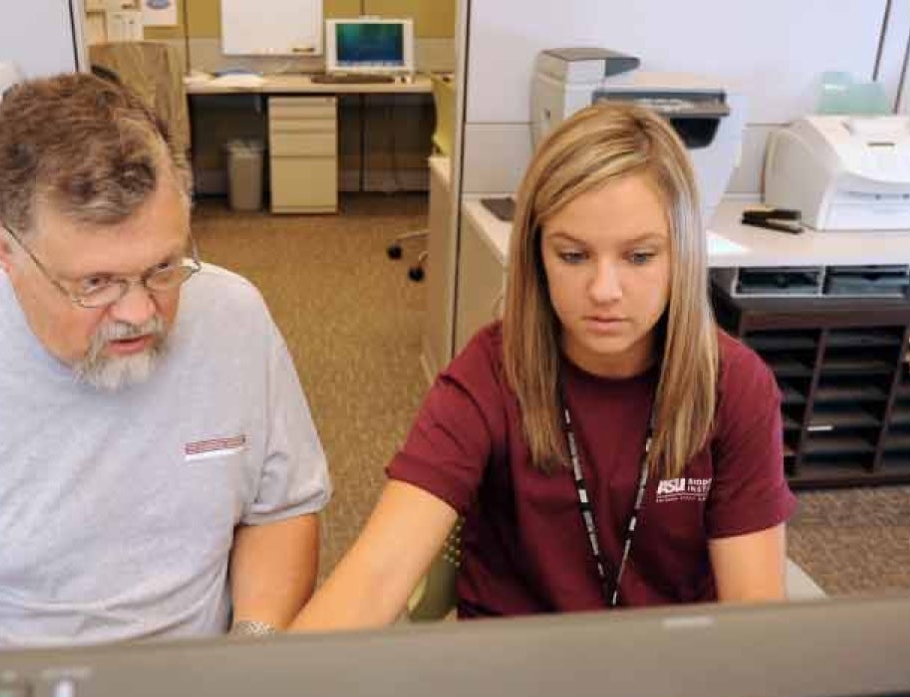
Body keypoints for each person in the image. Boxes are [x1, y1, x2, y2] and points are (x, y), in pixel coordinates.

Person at [0, 73, 331, 666]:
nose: (141, 312)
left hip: (208, 687)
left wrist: (251, 654)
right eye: (96, 283)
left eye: (163, 266)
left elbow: (282, 511)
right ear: (6, 252)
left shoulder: (233, 315)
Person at [293, 103, 795, 631]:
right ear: (537, 255)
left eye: (640, 257)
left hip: (665, 670)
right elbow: (374, 578)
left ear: (682, 256)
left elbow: (751, 618)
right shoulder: (491, 374)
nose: (604, 291)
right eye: (573, 256)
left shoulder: (733, 386)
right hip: (515, 670)